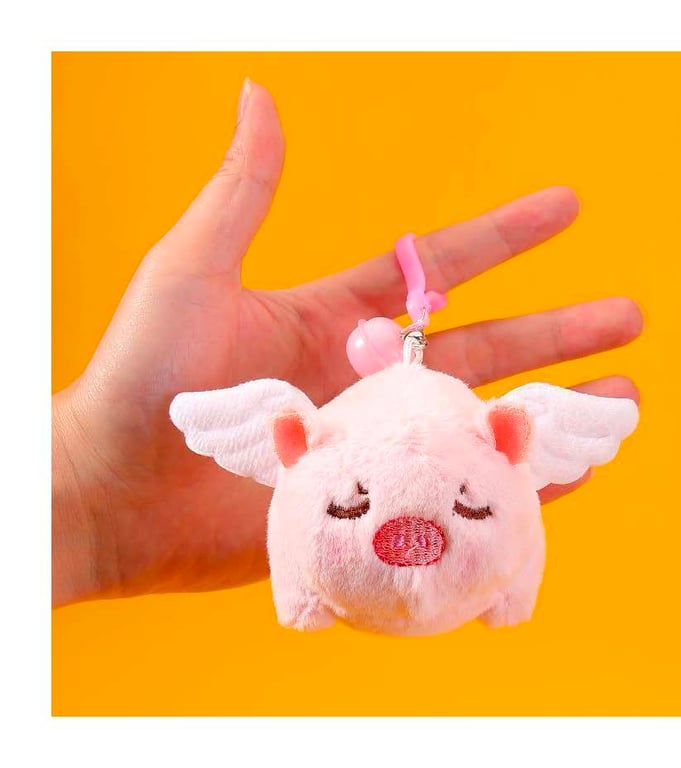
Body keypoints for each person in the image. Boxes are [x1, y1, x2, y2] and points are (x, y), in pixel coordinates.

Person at [52, 78, 642, 608]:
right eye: (347, 506)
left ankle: (493, 600)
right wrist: (85, 485)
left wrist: (87, 497)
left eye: (470, 504)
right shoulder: (308, 438)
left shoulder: (494, 440)